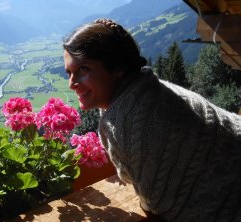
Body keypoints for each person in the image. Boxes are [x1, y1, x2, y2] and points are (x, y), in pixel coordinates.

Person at [63, 18, 241, 221]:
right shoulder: (151, 88)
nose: (72, 84)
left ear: (118, 67)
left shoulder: (128, 122)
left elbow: (154, 201)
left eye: (83, 69)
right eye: (68, 72)